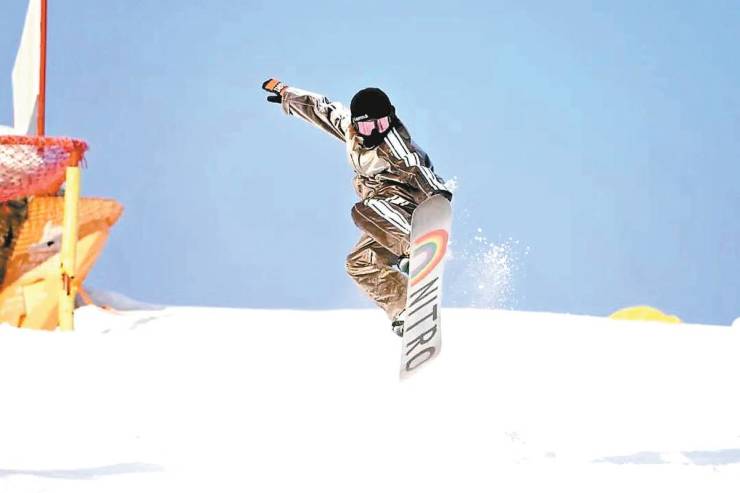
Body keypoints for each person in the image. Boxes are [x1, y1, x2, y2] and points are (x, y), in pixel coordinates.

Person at [262, 78, 451, 336]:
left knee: (364, 209)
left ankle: (414, 246)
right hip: (385, 219)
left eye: (381, 125)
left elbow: (415, 167)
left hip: (405, 201)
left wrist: (437, 193)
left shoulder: (393, 144)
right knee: (359, 262)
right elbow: (322, 109)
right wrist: (286, 94)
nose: (375, 133)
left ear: (390, 118)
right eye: (367, 127)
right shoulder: (351, 131)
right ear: (355, 124)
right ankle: (405, 307)